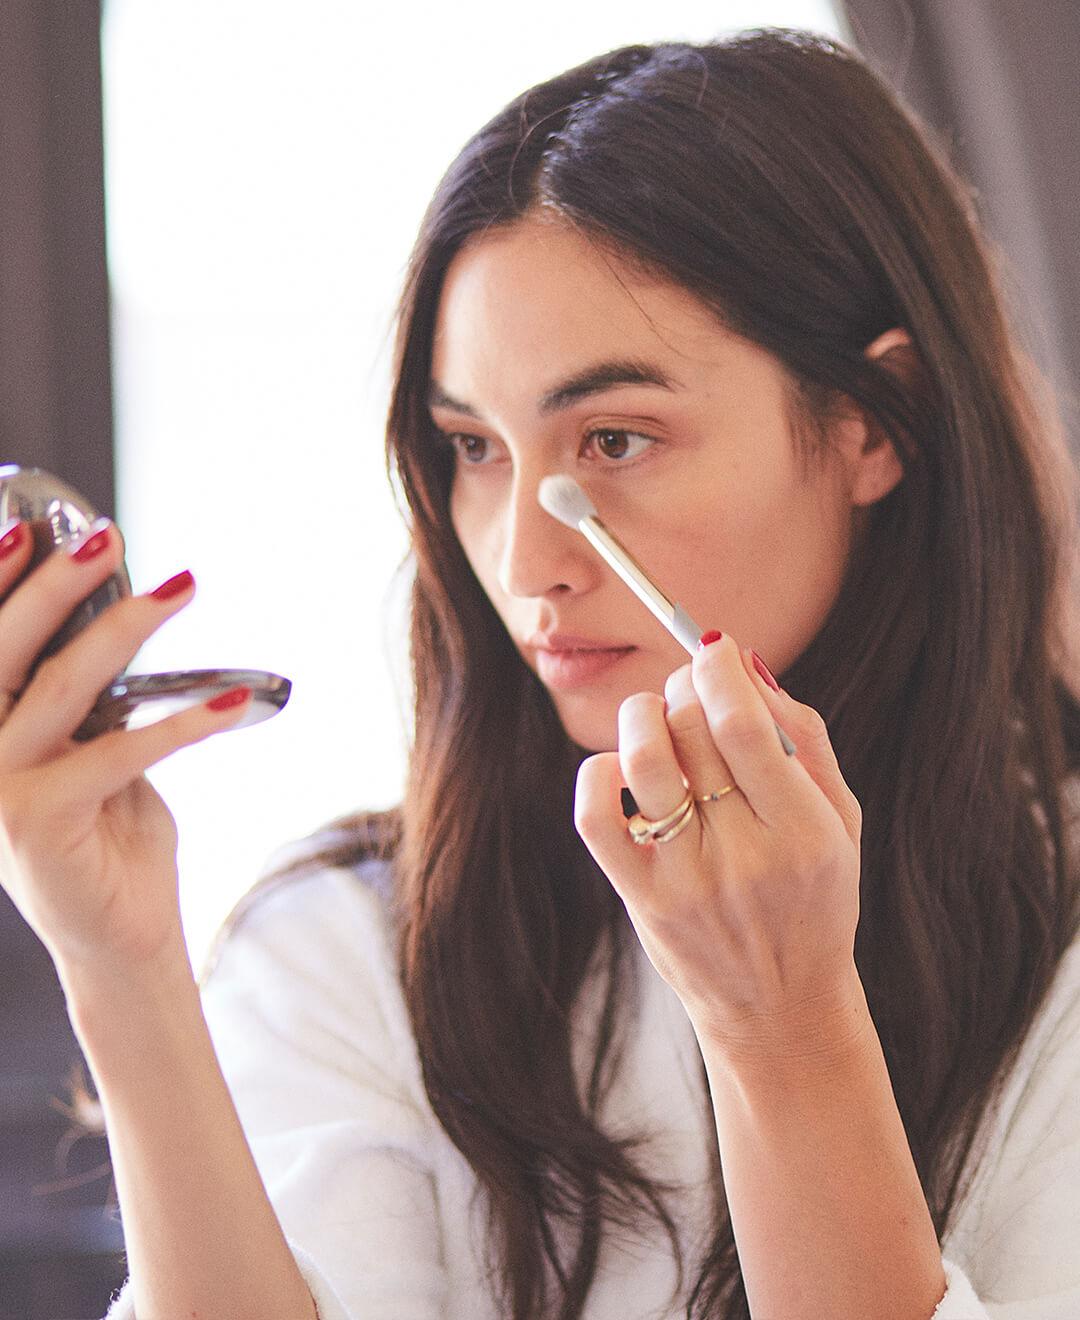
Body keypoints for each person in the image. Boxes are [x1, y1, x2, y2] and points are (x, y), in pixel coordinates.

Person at [0, 27, 1078, 1320]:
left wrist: (788, 1032)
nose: (524, 562)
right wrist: (116, 964)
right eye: (473, 447)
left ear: (873, 424)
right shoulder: (353, 943)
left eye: (614, 439)